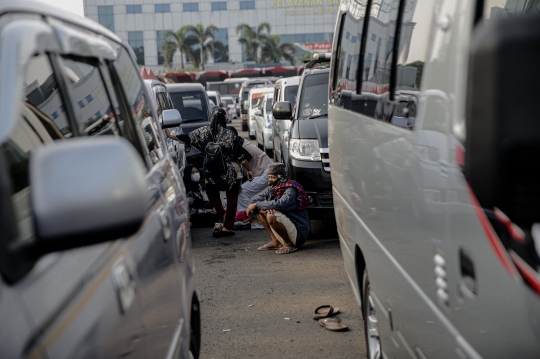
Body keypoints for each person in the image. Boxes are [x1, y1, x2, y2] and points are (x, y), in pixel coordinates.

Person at [166, 108, 245, 237]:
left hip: (211, 172)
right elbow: (239, 154)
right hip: (230, 171)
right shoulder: (230, 134)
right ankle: (228, 226)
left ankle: (222, 213)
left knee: (211, 193)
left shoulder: (203, 132)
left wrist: (170, 135)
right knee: (232, 196)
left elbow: (187, 138)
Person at [246, 163, 311, 254]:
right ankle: (276, 241)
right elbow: (254, 201)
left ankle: (289, 244)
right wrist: (259, 206)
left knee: (271, 215)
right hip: (288, 228)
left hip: (298, 234)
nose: (270, 180)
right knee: (259, 210)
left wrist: (259, 205)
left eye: (273, 177)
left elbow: (280, 204)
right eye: (269, 177)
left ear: (281, 178)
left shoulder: (291, 189)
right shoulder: (274, 188)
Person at [226, 126, 273, 230]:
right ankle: (251, 217)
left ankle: (256, 221)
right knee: (242, 191)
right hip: (262, 170)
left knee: (243, 192)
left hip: (265, 171)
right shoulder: (239, 142)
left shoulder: (239, 147)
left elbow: (241, 166)